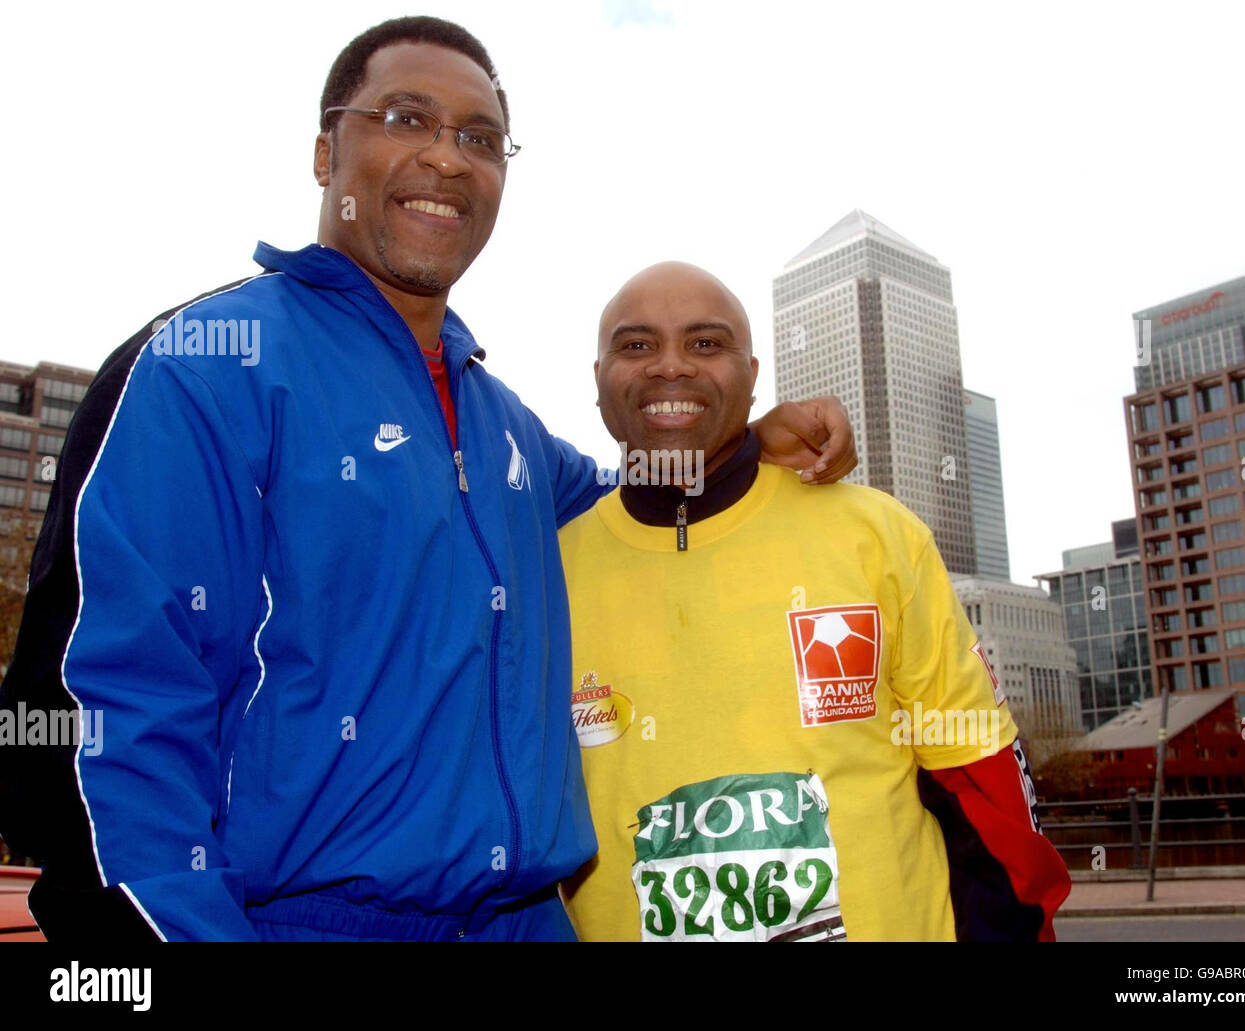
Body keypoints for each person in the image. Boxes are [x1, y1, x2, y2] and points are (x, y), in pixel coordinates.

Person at [0, 18, 855, 943]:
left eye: (481, 139)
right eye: (407, 118)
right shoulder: (203, 368)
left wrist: (743, 440)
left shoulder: (506, 427)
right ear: (326, 152)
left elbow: (634, 502)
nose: (448, 158)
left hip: (526, 922)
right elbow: (101, 722)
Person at [559, 262, 1071, 941]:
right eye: (637, 345)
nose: (671, 366)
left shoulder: (875, 535)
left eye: (706, 344)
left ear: (753, 372)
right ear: (597, 377)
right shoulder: (546, 571)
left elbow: (982, 782)